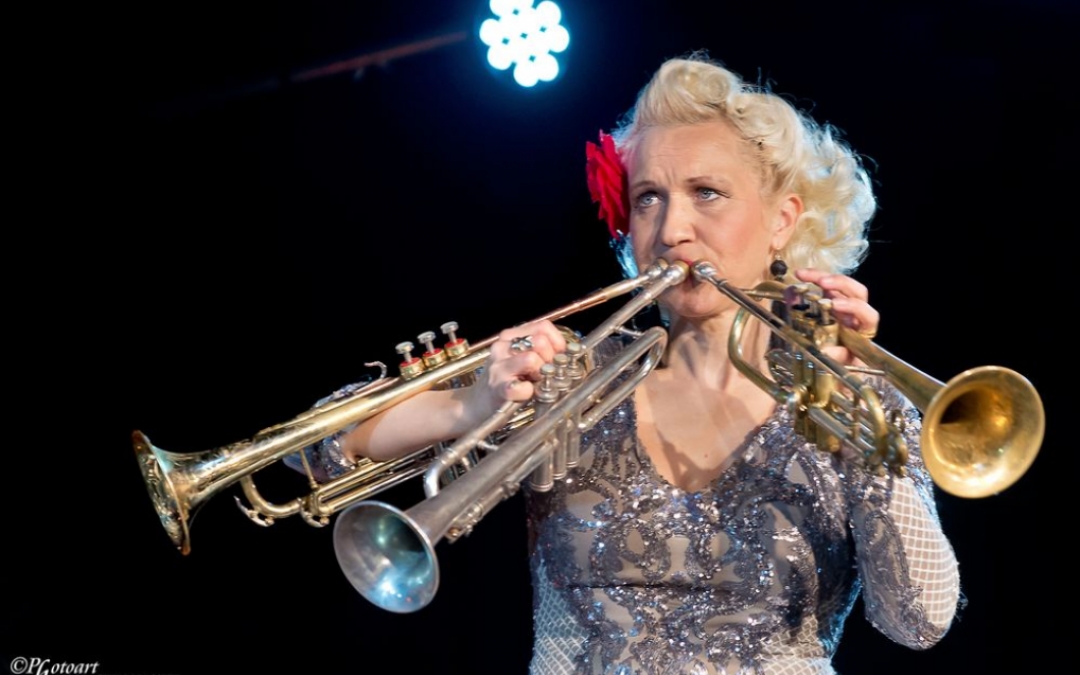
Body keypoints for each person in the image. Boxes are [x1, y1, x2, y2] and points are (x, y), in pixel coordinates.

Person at [288, 53, 962, 674]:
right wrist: (472, 405)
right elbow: (311, 447)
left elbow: (919, 620)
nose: (671, 230)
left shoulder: (853, 402)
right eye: (648, 198)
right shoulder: (573, 375)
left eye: (707, 192)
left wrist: (858, 405)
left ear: (782, 219)